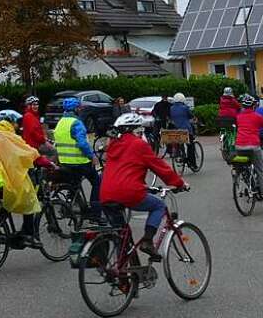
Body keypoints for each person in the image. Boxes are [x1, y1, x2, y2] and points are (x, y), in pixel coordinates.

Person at [101, 113, 187, 261]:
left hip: (106, 193)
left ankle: (123, 276)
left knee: (121, 234)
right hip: (129, 193)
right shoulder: (138, 144)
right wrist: (180, 183)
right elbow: (160, 168)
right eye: (140, 130)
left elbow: (124, 171)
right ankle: (147, 241)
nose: (142, 133)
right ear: (135, 130)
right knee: (158, 206)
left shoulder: (113, 146)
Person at [0, 110, 52, 248]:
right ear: (10, 122)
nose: (17, 126)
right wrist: (46, 162)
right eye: (16, 122)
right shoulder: (8, 137)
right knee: (29, 197)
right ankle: (28, 234)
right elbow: (26, 152)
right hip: (7, 178)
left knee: (8, 203)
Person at [54, 97, 102, 221]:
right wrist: (92, 156)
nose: (80, 110)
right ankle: (95, 214)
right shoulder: (76, 123)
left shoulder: (60, 122)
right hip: (79, 162)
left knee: (74, 185)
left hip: (65, 161)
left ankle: (71, 206)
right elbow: (82, 143)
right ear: (76, 109)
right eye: (79, 108)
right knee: (97, 182)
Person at [234, 94, 263, 204]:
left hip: (239, 146)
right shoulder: (258, 116)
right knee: (260, 170)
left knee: (244, 164)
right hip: (253, 146)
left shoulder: (239, 116)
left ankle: (247, 180)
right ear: (254, 106)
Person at [168, 93, 197, 171]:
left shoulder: (171, 108)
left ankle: (180, 155)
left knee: (179, 143)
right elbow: (190, 116)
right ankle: (192, 164)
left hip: (175, 130)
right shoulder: (185, 108)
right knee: (191, 146)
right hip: (186, 130)